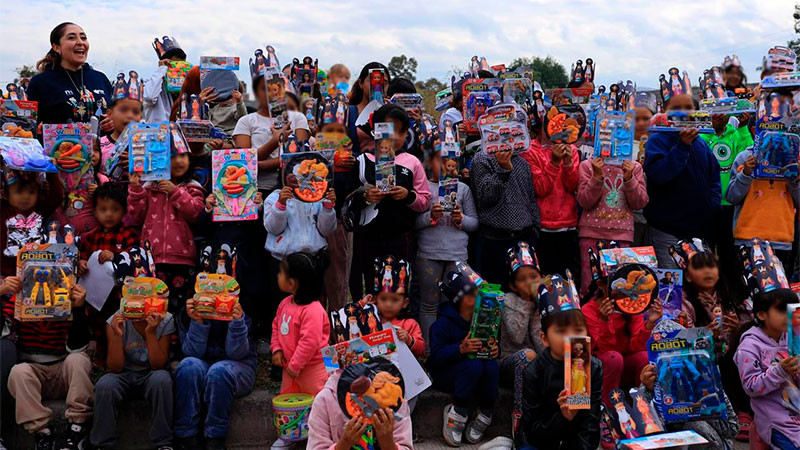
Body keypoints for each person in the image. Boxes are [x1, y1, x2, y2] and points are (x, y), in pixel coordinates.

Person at [348, 104, 430, 300]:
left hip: (401, 238)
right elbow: (349, 201)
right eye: (388, 129)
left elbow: (424, 201)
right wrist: (366, 198)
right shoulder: (362, 161)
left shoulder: (412, 162)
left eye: (400, 131)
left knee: (398, 289)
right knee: (371, 290)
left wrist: (407, 196)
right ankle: (370, 326)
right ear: (376, 130)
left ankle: (399, 327)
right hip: (368, 238)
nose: (394, 136)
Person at [515, 275, 603, 450]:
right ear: (544, 338)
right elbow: (532, 430)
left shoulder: (592, 367)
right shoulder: (534, 372)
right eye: (561, 331)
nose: (570, 337)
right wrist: (563, 417)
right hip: (540, 442)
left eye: (578, 330)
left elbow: (590, 426)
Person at [5, 284, 92, 450]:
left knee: (79, 360)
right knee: (18, 372)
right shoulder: (22, 296)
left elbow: (78, 346)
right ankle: (43, 432)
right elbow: (3, 329)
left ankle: (77, 428)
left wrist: (78, 309)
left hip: (62, 368)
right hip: (34, 371)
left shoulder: (69, 295)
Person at [643, 93, 721, 268]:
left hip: (699, 231)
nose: (683, 113)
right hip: (667, 230)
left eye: (688, 108)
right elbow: (658, 175)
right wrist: (682, 146)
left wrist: (712, 204)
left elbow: (714, 178)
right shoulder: (658, 139)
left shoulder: (701, 143)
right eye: (676, 108)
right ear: (664, 111)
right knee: (671, 282)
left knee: (698, 280)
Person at [127, 145, 205, 313]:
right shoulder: (148, 187)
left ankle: (179, 339)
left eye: (183, 155)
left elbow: (196, 214)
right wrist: (135, 189)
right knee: (154, 307)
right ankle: (158, 339)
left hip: (182, 260)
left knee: (180, 308)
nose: (178, 161)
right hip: (151, 259)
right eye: (171, 156)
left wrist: (175, 191)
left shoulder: (193, 186)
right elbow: (136, 217)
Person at [639, 322, 739, 450]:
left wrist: (700, 408)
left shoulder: (705, 379)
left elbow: (732, 428)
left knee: (696, 426)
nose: (672, 361)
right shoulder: (652, 380)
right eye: (665, 355)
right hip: (671, 443)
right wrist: (646, 390)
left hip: (711, 442)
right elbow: (642, 426)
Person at [174, 297, 256, 450]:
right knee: (187, 367)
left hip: (238, 365)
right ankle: (186, 438)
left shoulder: (240, 307)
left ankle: (215, 439)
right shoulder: (189, 311)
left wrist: (237, 322)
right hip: (202, 362)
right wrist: (198, 322)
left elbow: (237, 353)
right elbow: (191, 353)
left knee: (218, 372)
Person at [86, 309, 175, 450]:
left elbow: (158, 365)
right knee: (105, 385)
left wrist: (151, 332)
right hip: (123, 373)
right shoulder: (116, 320)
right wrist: (117, 335)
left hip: (151, 373)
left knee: (162, 380)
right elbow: (115, 367)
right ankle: (102, 443)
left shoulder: (165, 319)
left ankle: (163, 442)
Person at [416, 147, 478, 344]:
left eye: (450, 162)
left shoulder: (463, 189)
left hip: (456, 254)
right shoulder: (424, 187)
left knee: (453, 304)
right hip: (429, 253)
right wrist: (430, 217)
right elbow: (414, 223)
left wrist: (461, 219)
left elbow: (474, 223)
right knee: (428, 304)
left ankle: (449, 347)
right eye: (440, 162)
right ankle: (429, 350)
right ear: (429, 164)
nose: (446, 167)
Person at [429, 272, 498, 447]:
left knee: (490, 366)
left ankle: (485, 411)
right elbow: (435, 356)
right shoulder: (443, 324)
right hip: (448, 373)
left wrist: (495, 349)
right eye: (473, 294)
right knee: (473, 365)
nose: (480, 297)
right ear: (459, 300)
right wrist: (460, 349)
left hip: (477, 373)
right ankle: (457, 410)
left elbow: (495, 343)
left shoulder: (486, 318)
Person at [270, 252, 330, 450]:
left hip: (313, 370)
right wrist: (276, 349)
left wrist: (295, 365)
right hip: (291, 370)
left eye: (281, 273)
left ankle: (319, 437)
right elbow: (276, 328)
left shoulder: (313, 309)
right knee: (289, 402)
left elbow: (309, 342)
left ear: (293, 283)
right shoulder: (284, 304)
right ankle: (290, 435)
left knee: (318, 403)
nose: (278, 276)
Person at [582, 259, 663, 404]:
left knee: (644, 358)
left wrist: (650, 323)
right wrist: (605, 321)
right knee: (614, 358)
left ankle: (644, 407)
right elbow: (604, 349)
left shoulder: (632, 305)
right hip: (602, 368)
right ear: (601, 285)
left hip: (625, 365)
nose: (626, 291)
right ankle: (607, 410)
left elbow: (636, 347)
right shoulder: (589, 310)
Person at [77, 182, 140, 364]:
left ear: (124, 211)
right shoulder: (89, 237)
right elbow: (82, 258)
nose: (109, 214)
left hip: (118, 297)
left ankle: (120, 363)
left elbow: (136, 259)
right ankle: (100, 362)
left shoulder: (128, 235)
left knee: (119, 328)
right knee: (98, 329)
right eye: (103, 209)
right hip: (95, 299)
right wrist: (81, 263)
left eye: (115, 209)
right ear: (95, 211)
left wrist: (117, 256)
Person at [735, 288, 800, 449]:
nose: (789, 315)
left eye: (792, 309)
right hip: (775, 419)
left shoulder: (792, 337)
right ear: (762, 314)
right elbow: (751, 387)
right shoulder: (749, 346)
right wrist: (780, 371)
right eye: (782, 310)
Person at [726, 136, 800, 274]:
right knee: (752, 287)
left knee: (779, 292)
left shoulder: (793, 158)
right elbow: (731, 197)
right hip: (748, 239)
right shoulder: (745, 157)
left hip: (782, 239)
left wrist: (794, 180)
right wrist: (745, 173)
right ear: (755, 130)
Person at [576, 157, 648, 294]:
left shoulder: (634, 167)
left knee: (619, 286)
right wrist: (596, 177)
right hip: (591, 235)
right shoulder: (588, 165)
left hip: (621, 236)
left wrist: (629, 179)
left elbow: (640, 203)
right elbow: (584, 201)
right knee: (591, 286)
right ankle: (590, 314)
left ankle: (615, 315)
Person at [233, 69, 310, 197]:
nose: (272, 93)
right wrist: (275, 141)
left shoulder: (298, 118)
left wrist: (257, 165)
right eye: (265, 88)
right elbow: (244, 160)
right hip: (254, 190)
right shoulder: (246, 121)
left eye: (277, 87)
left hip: (291, 189)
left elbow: (298, 158)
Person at [306, 359, 413, 450]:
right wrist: (344, 443)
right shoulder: (325, 400)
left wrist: (388, 443)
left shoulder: (392, 397)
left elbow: (406, 445)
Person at [471, 143, 539, 284]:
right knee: (495, 293)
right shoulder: (482, 159)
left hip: (524, 238)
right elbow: (485, 196)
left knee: (526, 292)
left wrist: (535, 227)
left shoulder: (522, 162)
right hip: (494, 239)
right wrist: (503, 169)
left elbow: (531, 198)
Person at [701, 111, 753, 289]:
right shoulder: (702, 135)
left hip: (730, 204)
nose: (720, 116)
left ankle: (730, 290)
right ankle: (706, 290)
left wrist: (745, 128)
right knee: (704, 250)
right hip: (707, 202)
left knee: (728, 252)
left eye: (724, 112)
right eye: (715, 112)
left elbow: (748, 155)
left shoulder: (737, 133)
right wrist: (710, 129)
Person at [28, 22, 113, 127]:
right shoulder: (41, 82)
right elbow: (31, 125)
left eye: (83, 38)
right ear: (56, 47)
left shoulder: (100, 78)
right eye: (72, 38)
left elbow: (115, 116)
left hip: (101, 143)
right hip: (61, 143)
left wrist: (113, 122)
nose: (80, 42)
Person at [499, 242, 545, 434]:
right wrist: (528, 305)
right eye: (522, 280)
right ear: (513, 285)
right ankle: (520, 417)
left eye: (534, 277)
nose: (529, 283)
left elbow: (543, 347)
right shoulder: (508, 301)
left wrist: (538, 310)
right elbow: (517, 338)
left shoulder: (547, 301)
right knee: (527, 355)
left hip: (538, 363)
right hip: (510, 361)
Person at [316, 95, 357, 311]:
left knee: (338, 280)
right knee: (315, 284)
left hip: (338, 217)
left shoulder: (349, 143)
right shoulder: (312, 142)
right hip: (310, 220)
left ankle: (338, 330)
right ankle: (318, 331)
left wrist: (353, 161)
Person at [523, 138, 580, 284]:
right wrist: (554, 162)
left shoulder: (571, 149)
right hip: (543, 227)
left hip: (568, 225)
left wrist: (567, 163)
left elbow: (573, 186)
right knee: (545, 281)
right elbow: (540, 189)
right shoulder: (530, 150)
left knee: (568, 280)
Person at [0, 171, 64, 278]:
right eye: (19, 192)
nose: (26, 197)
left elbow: (57, 196)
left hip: (33, 272)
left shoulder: (39, 210)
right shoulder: (3, 210)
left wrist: (50, 172)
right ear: (6, 194)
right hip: (5, 274)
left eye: (31, 192)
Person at [373, 255, 425, 356]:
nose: (388, 304)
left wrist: (409, 339)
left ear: (405, 303)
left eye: (395, 300)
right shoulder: (372, 321)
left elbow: (421, 349)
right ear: (375, 300)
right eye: (383, 299)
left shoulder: (409, 324)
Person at [99, 73, 144, 181]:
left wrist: (138, 165)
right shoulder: (100, 146)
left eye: (135, 112)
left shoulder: (147, 146)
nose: (130, 115)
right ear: (109, 114)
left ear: (141, 117)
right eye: (123, 110)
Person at [347, 62, 391, 153]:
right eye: (372, 81)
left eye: (384, 82)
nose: (378, 86)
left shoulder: (392, 113)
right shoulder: (349, 113)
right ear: (360, 83)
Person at [143, 35, 187, 123]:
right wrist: (161, 70)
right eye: (173, 64)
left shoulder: (186, 89)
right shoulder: (154, 85)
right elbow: (149, 97)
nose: (177, 69)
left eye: (181, 64)